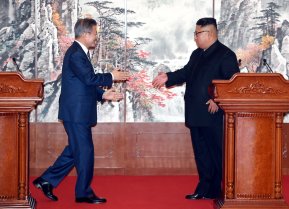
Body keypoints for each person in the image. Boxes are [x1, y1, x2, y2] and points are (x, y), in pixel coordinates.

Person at [33, 18, 130, 204]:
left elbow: (84, 84)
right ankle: (83, 193)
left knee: (75, 150)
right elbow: (89, 78)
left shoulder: (79, 53)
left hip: (77, 113)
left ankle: (46, 180)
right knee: (84, 152)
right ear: (85, 34)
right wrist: (112, 76)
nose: (97, 38)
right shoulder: (77, 53)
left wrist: (103, 95)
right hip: (76, 113)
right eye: (95, 34)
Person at [152, 17, 239, 200]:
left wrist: (218, 99)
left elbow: (232, 83)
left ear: (209, 34)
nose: (195, 37)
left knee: (218, 154)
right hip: (195, 113)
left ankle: (226, 191)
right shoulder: (197, 54)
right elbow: (186, 72)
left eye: (197, 33)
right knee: (202, 154)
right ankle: (205, 189)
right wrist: (168, 76)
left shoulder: (226, 55)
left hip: (213, 115)